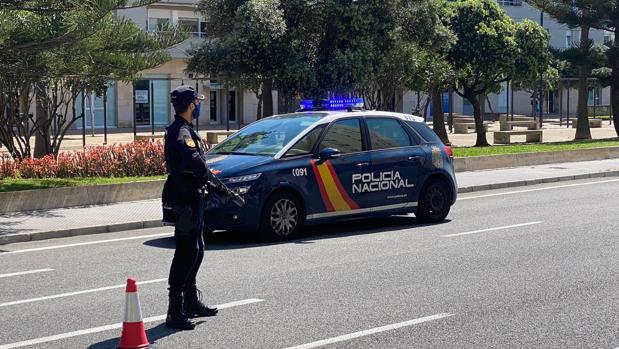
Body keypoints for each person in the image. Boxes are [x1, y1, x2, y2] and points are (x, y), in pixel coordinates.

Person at [162, 85, 218, 330]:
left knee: (197, 249)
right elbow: (194, 162)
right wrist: (208, 175)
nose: (199, 106)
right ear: (191, 105)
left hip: (192, 197)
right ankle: (174, 311)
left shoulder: (184, 130)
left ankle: (190, 302)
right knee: (186, 252)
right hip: (184, 199)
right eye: (197, 102)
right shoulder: (181, 132)